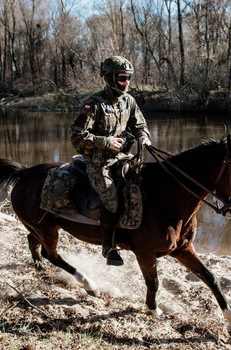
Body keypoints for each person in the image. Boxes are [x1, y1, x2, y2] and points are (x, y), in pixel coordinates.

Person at [70, 55, 151, 266]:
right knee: (111, 198)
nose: (127, 83)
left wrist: (144, 136)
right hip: (98, 163)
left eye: (129, 78)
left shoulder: (129, 101)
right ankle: (109, 247)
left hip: (123, 157)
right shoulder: (93, 105)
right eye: (122, 78)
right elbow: (76, 136)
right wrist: (105, 142)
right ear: (109, 78)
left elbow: (139, 124)